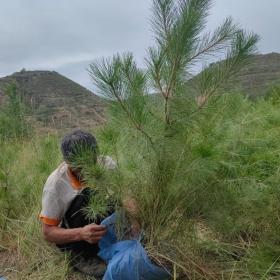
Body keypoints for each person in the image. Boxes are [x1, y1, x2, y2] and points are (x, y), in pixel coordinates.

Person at [40, 130, 117, 278]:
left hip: (104, 225)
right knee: (85, 196)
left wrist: (134, 221)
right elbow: (48, 232)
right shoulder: (56, 184)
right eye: (79, 166)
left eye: (90, 161)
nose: (87, 169)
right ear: (68, 162)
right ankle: (82, 255)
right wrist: (81, 233)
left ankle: (111, 240)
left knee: (114, 197)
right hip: (77, 232)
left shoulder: (107, 163)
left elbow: (125, 196)